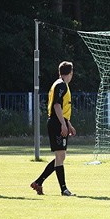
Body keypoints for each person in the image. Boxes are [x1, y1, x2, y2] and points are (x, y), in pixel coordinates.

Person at [30, 61, 77, 196]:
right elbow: (56, 106)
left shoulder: (61, 84)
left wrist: (68, 124)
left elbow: (63, 108)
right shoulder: (61, 85)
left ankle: (38, 182)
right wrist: (63, 124)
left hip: (59, 122)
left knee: (60, 157)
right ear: (71, 73)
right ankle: (64, 189)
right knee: (60, 156)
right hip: (56, 123)